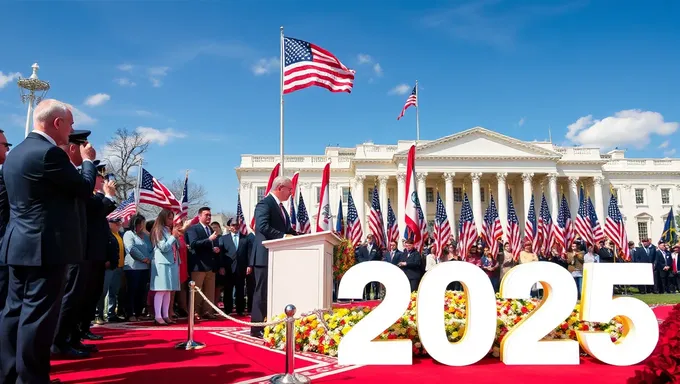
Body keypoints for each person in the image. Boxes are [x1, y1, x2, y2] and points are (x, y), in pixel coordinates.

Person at [0, 99, 97, 384]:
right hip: (45, 248)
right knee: (38, 318)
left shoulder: (15, 153)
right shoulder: (49, 154)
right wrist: (87, 161)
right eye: (70, 123)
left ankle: (8, 374)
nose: (72, 130)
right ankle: (32, 379)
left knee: (13, 313)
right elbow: (82, 188)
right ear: (57, 123)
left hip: (18, 245)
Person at [52, 130, 100, 359]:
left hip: (79, 245)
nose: (87, 150)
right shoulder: (68, 172)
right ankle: (60, 341)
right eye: (84, 146)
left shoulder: (71, 172)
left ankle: (69, 338)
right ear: (73, 148)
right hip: (69, 246)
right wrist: (89, 162)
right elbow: (86, 195)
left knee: (76, 296)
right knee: (69, 297)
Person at [249, 176, 297, 338]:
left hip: (278, 257)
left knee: (274, 292)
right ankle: (257, 328)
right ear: (280, 187)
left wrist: (309, 236)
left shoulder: (282, 208)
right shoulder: (265, 204)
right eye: (290, 189)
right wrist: (284, 237)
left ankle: (271, 322)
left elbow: (289, 230)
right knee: (261, 293)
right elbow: (262, 226)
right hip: (264, 256)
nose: (291, 192)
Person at [79, 161, 117, 341]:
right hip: (87, 252)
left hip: (97, 254)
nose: (103, 180)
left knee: (93, 293)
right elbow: (96, 212)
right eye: (100, 176)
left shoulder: (97, 196)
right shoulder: (88, 196)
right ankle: (76, 331)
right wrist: (107, 196)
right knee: (83, 294)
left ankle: (84, 328)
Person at [185, 207, 220, 320]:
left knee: (209, 291)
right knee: (197, 291)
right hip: (198, 265)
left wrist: (215, 248)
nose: (209, 217)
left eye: (210, 215)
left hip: (210, 265)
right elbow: (193, 244)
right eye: (206, 215)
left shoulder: (211, 229)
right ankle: (194, 312)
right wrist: (209, 240)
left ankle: (207, 311)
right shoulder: (193, 229)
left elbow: (212, 243)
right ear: (199, 216)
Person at [150, 209, 181, 325]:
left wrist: (175, 236)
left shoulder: (169, 230)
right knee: (161, 289)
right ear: (163, 217)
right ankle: (158, 316)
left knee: (168, 290)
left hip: (172, 262)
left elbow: (176, 246)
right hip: (162, 263)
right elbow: (163, 247)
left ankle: (166, 315)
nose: (171, 220)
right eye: (169, 218)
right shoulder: (158, 230)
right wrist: (173, 237)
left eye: (172, 218)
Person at [219, 218, 253, 316]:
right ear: (229, 227)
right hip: (228, 268)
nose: (235, 227)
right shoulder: (224, 238)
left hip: (241, 268)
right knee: (228, 289)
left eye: (237, 225)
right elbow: (221, 254)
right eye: (233, 225)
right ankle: (228, 309)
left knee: (240, 290)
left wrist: (249, 265)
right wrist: (221, 266)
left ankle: (240, 309)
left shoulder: (245, 238)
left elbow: (248, 253)